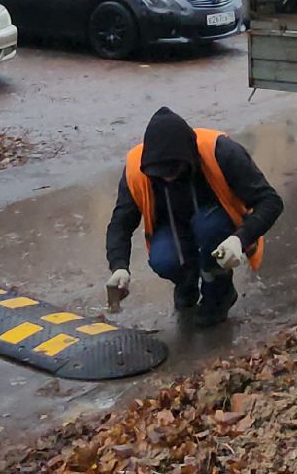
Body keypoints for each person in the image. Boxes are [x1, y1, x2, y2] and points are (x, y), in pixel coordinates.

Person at [105, 107, 284, 327]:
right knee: (164, 260)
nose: (168, 178)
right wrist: (119, 266)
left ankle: (219, 293)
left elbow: (270, 201)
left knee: (209, 228)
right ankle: (186, 283)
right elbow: (120, 224)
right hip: (173, 229)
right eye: (160, 174)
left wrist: (240, 238)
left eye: (174, 170)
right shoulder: (136, 169)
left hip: (216, 225)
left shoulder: (221, 152)